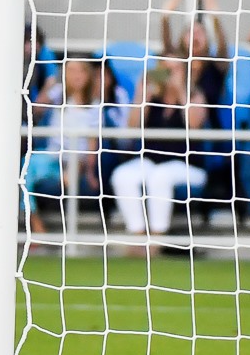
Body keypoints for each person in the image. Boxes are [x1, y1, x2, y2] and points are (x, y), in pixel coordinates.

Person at [110, 59, 208, 252]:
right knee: (122, 175)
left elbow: (195, 125)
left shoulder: (195, 96)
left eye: (175, 69)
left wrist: (180, 90)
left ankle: (156, 240)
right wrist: (142, 94)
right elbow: (132, 127)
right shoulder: (152, 98)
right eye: (165, 69)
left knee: (161, 176)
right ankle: (138, 236)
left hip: (187, 166)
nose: (170, 73)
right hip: (151, 162)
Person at [23, 59, 107, 234]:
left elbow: (93, 142)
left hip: (78, 159)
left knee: (74, 167)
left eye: (80, 71)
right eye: (71, 71)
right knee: (24, 169)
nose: (76, 76)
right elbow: (36, 110)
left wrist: (90, 171)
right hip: (53, 156)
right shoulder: (58, 95)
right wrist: (49, 86)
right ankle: (35, 223)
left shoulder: (95, 106)